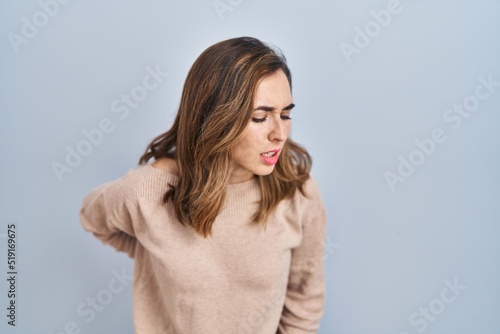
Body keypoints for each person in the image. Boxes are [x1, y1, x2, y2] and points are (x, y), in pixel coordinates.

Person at [79, 36, 327, 334]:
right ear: (216, 119)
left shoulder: (298, 191)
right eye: (261, 117)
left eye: (285, 114)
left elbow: (305, 295)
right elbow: (92, 216)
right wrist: (153, 252)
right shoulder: (147, 192)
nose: (280, 133)